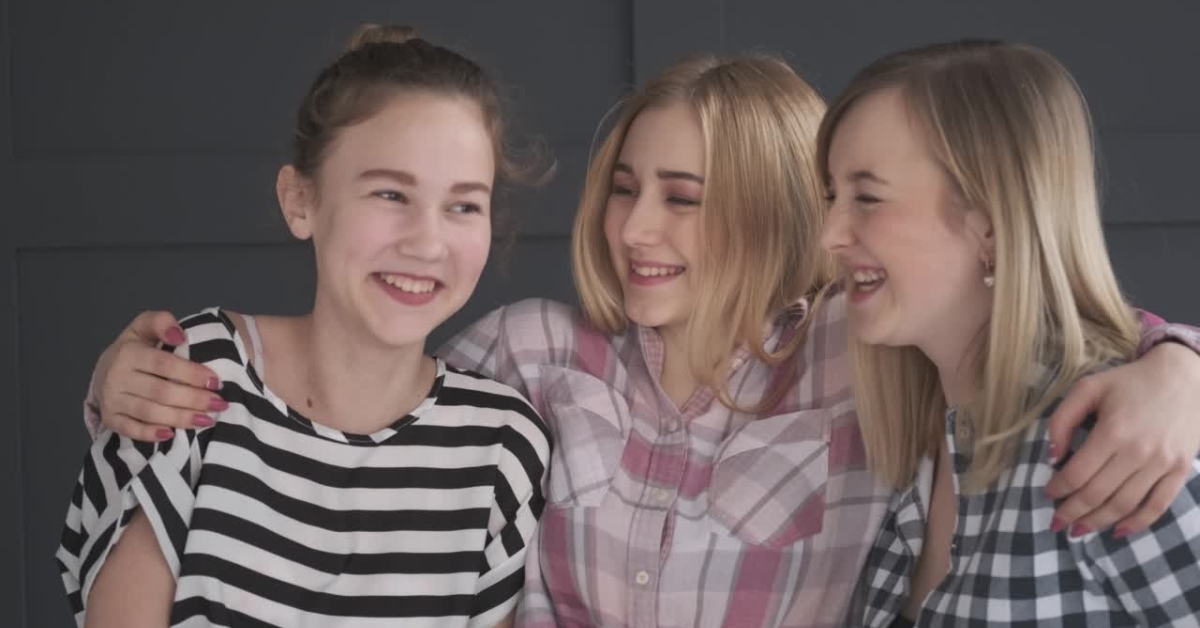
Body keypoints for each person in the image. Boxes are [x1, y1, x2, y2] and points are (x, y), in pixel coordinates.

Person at [76, 51, 1200, 627]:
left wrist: (1177, 362)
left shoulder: (869, 364)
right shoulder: (527, 360)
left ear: (769, 207)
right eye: (624, 187)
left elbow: (1016, 319)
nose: (634, 228)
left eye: (684, 196)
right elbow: (369, 399)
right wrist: (136, 375)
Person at [55, 24, 550, 628]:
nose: (428, 241)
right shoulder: (198, 375)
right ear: (301, 202)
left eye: (464, 205)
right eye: (391, 194)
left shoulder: (501, 446)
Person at [820, 39, 1200, 627]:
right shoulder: (918, 448)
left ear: (992, 226)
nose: (830, 235)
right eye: (831, 196)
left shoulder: (1109, 448)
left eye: (867, 198)